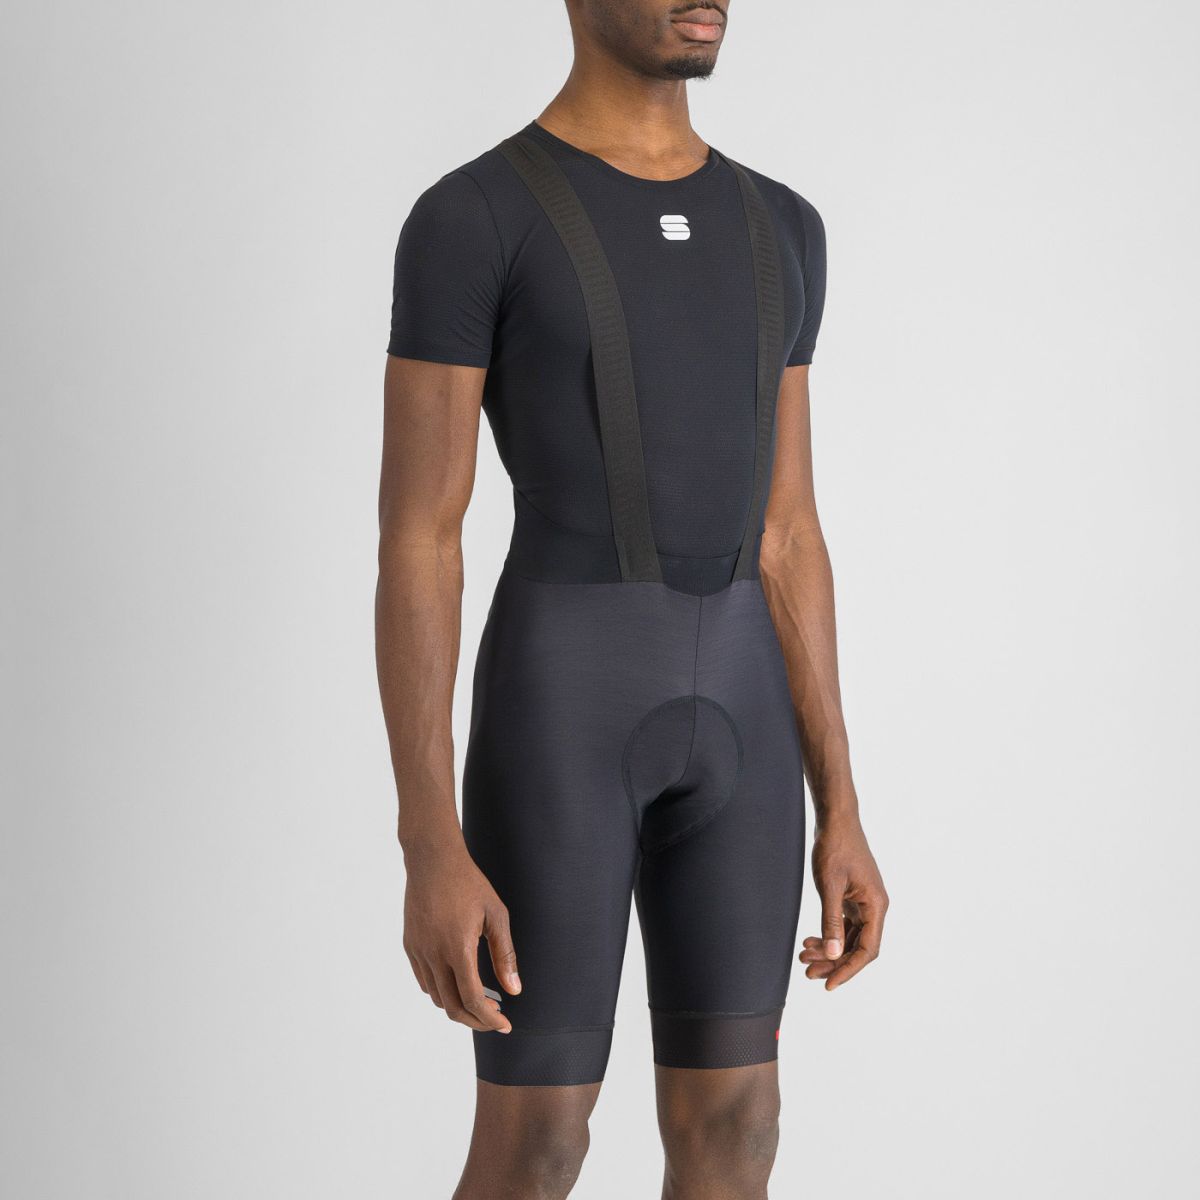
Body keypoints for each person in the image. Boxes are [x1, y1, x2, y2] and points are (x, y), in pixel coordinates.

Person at [376, 2, 888, 1196]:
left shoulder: (782, 226)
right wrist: (429, 840)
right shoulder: (474, 217)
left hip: (747, 732)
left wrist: (843, 806)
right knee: (541, 1142)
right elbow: (419, 540)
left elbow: (788, 532)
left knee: (741, 1131)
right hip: (563, 716)